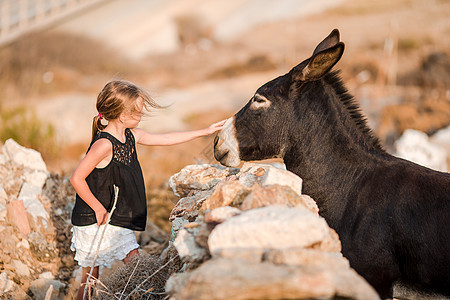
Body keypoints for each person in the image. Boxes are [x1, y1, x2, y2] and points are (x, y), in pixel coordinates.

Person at [69, 80, 225, 299]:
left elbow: (167, 138)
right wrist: (97, 208)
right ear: (123, 116)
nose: (141, 115)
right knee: (91, 277)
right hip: (95, 219)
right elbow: (77, 178)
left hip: (117, 216)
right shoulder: (103, 144)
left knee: (133, 260)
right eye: (138, 112)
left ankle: (143, 294)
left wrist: (205, 131)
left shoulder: (132, 135)